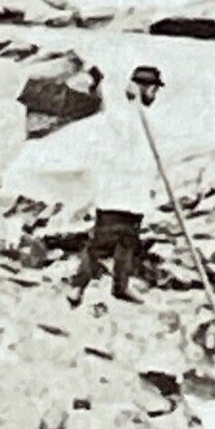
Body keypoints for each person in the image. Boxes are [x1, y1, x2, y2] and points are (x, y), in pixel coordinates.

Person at [69, 64, 165, 306]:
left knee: (128, 242)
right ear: (143, 88)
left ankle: (120, 286)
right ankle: (77, 288)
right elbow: (109, 110)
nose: (154, 95)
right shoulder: (123, 113)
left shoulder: (140, 115)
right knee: (100, 243)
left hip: (134, 195)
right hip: (116, 193)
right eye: (153, 89)